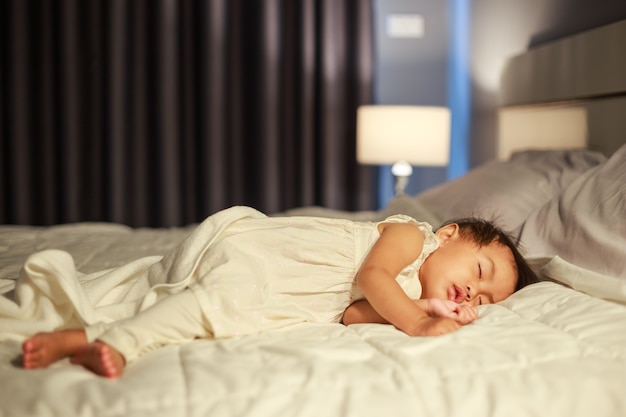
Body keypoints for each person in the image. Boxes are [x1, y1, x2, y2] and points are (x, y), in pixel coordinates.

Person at [15, 206, 537, 379]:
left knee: (202, 311)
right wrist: (420, 322)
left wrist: (424, 304)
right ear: (447, 235)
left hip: (290, 290)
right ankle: (118, 345)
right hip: (270, 256)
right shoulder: (410, 236)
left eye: (484, 300)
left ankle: (81, 337)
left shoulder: (407, 290)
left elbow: (354, 315)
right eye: (482, 269)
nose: (474, 291)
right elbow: (371, 278)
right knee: (210, 304)